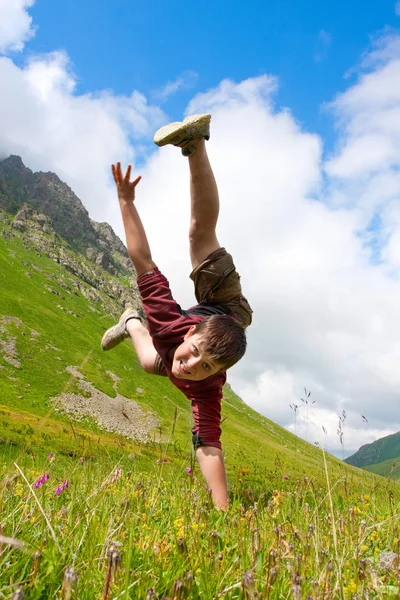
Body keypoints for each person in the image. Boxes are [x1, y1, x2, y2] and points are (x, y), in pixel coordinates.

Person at [101, 114, 253, 508]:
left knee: (153, 362)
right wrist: (125, 202)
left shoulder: (207, 386)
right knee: (199, 235)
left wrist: (222, 511)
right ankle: (195, 142)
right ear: (189, 334)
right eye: (195, 355)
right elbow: (143, 260)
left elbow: (209, 445)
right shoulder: (172, 323)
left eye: (206, 369)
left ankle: (131, 321)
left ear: (218, 376)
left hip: (217, 332)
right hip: (226, 305)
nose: (192, 367)